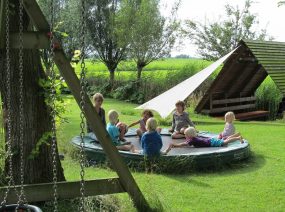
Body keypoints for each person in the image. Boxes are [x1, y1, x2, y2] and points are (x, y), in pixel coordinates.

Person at [165, 127, 243, 154]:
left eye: (186, 135)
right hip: (210, 140)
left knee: (225, 142)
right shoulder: (193, 138)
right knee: (224, 140)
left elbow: (184, 144)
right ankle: (236, 135)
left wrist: (175, 145)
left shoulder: (192, 140)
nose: (185, 136)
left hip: (211, 142)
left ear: (189, 135)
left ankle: (237, 138)